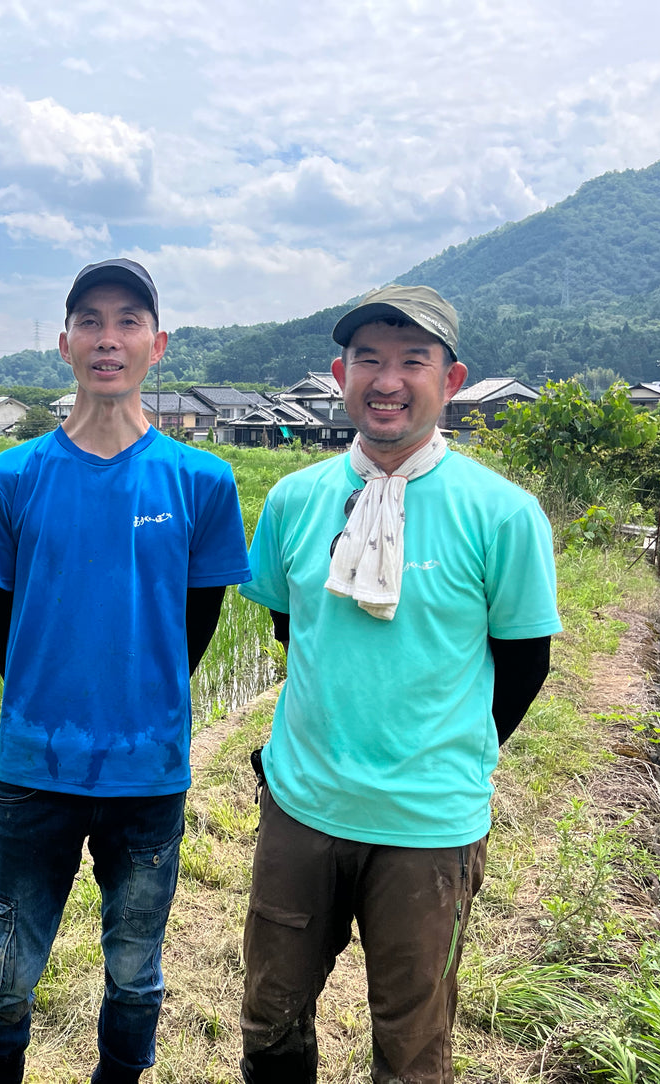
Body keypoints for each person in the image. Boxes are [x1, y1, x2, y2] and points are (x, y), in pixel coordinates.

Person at [236, 285, 562, 1083]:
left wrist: (440, 756)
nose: (387, 380)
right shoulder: (293, 499)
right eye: (368, 360)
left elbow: (523, 665)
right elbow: (291, 628)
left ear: (449, 381)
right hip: (302, 807)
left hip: (427, 826)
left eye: (411, 361)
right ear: (339, 373)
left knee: (412, 1045)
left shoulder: (503, 513)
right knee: (269, 1019)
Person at [0, 258, 252, 1084]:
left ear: (156, 345)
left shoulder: (203, 480)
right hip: (33, 767)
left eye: (128, 321)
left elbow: (196, 620)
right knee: (6, 963)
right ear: (63, 343)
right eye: (90, 320)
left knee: (135, 965)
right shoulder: (11, 476)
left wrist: (138, 696)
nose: (108, 338)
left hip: (149, 769)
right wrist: (50, 698)